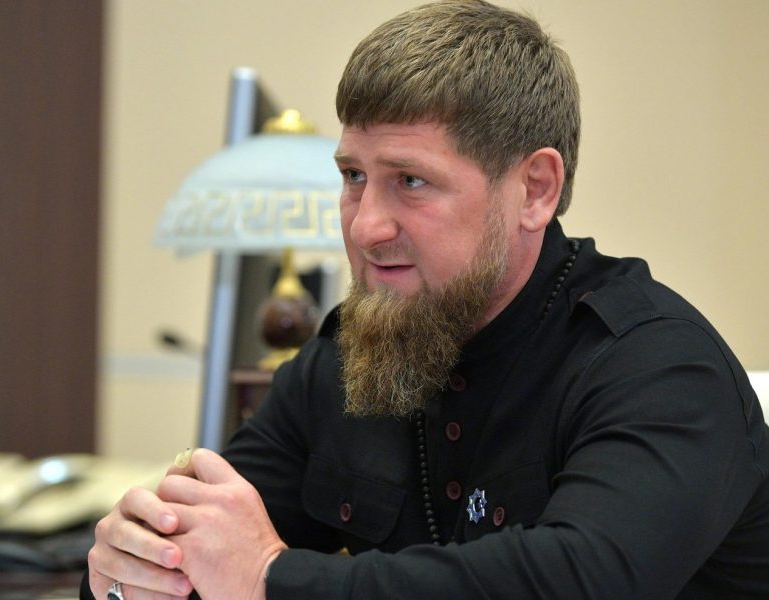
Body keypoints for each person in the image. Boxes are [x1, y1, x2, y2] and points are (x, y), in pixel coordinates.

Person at [83, 1, 769, 598]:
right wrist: (131, 568)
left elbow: (580, 580)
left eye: (410, 181)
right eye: (353, 177)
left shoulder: (661, 366)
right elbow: (201, 548)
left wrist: (271, 578)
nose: (364, 227)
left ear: (534, 189)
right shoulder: (350, 353)